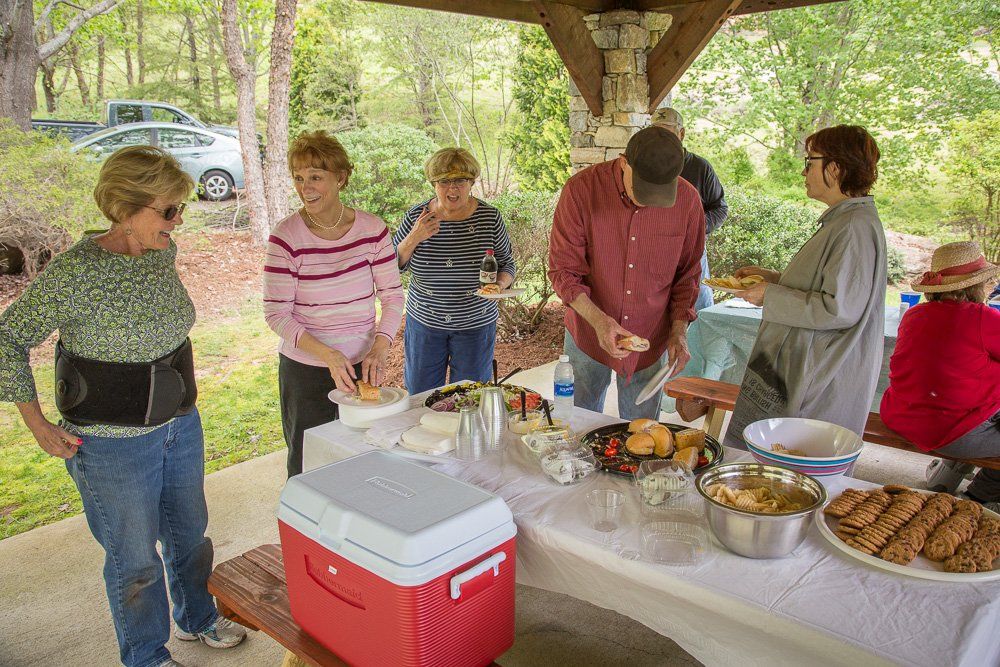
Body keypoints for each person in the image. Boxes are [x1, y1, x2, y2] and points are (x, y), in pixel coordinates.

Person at [0, 145, 245, 667]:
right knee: (135, 561)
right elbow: (7, 339)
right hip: (112, 446)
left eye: (181, 207)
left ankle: (197, 617)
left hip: (179, 424)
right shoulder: (75, 272)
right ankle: (146, 655)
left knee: (189, 537)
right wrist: (37, 424)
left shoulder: (161, 252)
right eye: (169, 210)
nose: (179, 221)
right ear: (125, 208)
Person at [724, 125, 887, 449]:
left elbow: (838, 309)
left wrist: (770, 295)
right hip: (806, 363)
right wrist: (775, 279)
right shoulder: (843, 221)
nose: (804, 171)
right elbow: (824, 284)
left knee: (796, 460)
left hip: (821, 373)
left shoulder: (854, 227)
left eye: (810, 162)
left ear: (835, 168)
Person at [264, 131, 404, 478]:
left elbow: (392, 296)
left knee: (363, 458)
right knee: (308, 463)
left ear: (340, 178)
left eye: (315, 177)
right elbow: (276, 314)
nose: (305, 187)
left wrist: (380, 346)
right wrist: (326, 354)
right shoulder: (286, 237)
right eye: (299, 178)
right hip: (305, 371)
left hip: (362, 367)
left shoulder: (372, 230)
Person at [548, 126, 705, 420]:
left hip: (651, 334)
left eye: (659, 193)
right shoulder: (581, 190)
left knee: (642, 432)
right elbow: (564, 271)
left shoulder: (688, 200)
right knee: (577, 423)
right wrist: (599, 321)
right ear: (623, 163)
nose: (648, 200)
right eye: (642, 189)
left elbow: (688, 276)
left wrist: (679, 332)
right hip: (588, 331)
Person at [880, 241, 1000, 509]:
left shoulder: (914, 315)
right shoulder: (982, 318)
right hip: (951, 431)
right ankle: (980, 496)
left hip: (903, 416)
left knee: (961, 397)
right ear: (976, 286)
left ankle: (945, 477)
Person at [392, 148, 516, 394]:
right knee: (422, 396)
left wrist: (499, 286)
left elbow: (507, 264)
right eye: (444, 182)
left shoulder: (489, 217)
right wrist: (414, 237)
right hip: (425, 322)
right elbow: (392, 266)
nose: (453, 188)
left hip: (476, 323)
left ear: (471, 183)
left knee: (471, 396)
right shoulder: (417, 217)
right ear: (433, 184)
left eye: (460, 180)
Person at [651, 108, 728, 311]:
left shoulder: (700, 167)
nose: (661, 139)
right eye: (655, 132)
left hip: (692, 252)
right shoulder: (643, 166)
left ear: (681, 133)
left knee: (698, 307)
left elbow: (720, 208)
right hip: (653, 252)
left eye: (667, 132)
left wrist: (695, 228)